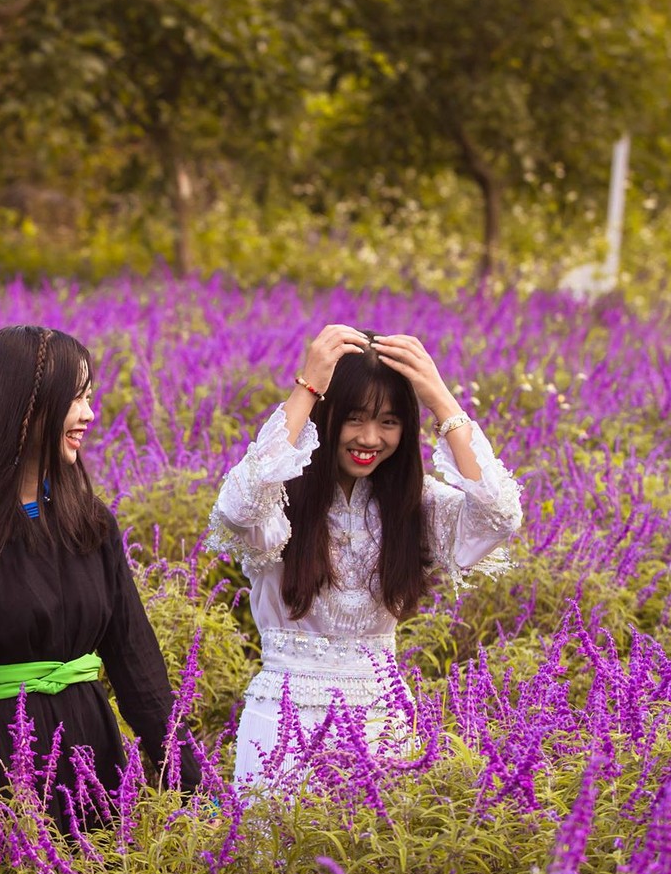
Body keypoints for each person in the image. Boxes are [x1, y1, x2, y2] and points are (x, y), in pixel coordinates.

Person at [209, 326, 523, 786]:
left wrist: (440, 399)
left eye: (389, 422)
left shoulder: (412, 505)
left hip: (383, 726)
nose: (370, 438)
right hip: (282, 726)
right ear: (328, 415)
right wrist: (308, 387)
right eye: (355, 418)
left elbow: (499, 516)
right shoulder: (279, 500)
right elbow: (237, 508)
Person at [0, 326, 200, 831]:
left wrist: (192, 783)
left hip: (91, 747)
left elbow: (135, 658)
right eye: (76, 397)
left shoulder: (88, 522)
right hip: (0, 753)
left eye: (90, 396)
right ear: (23, 407)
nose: (89, 415)